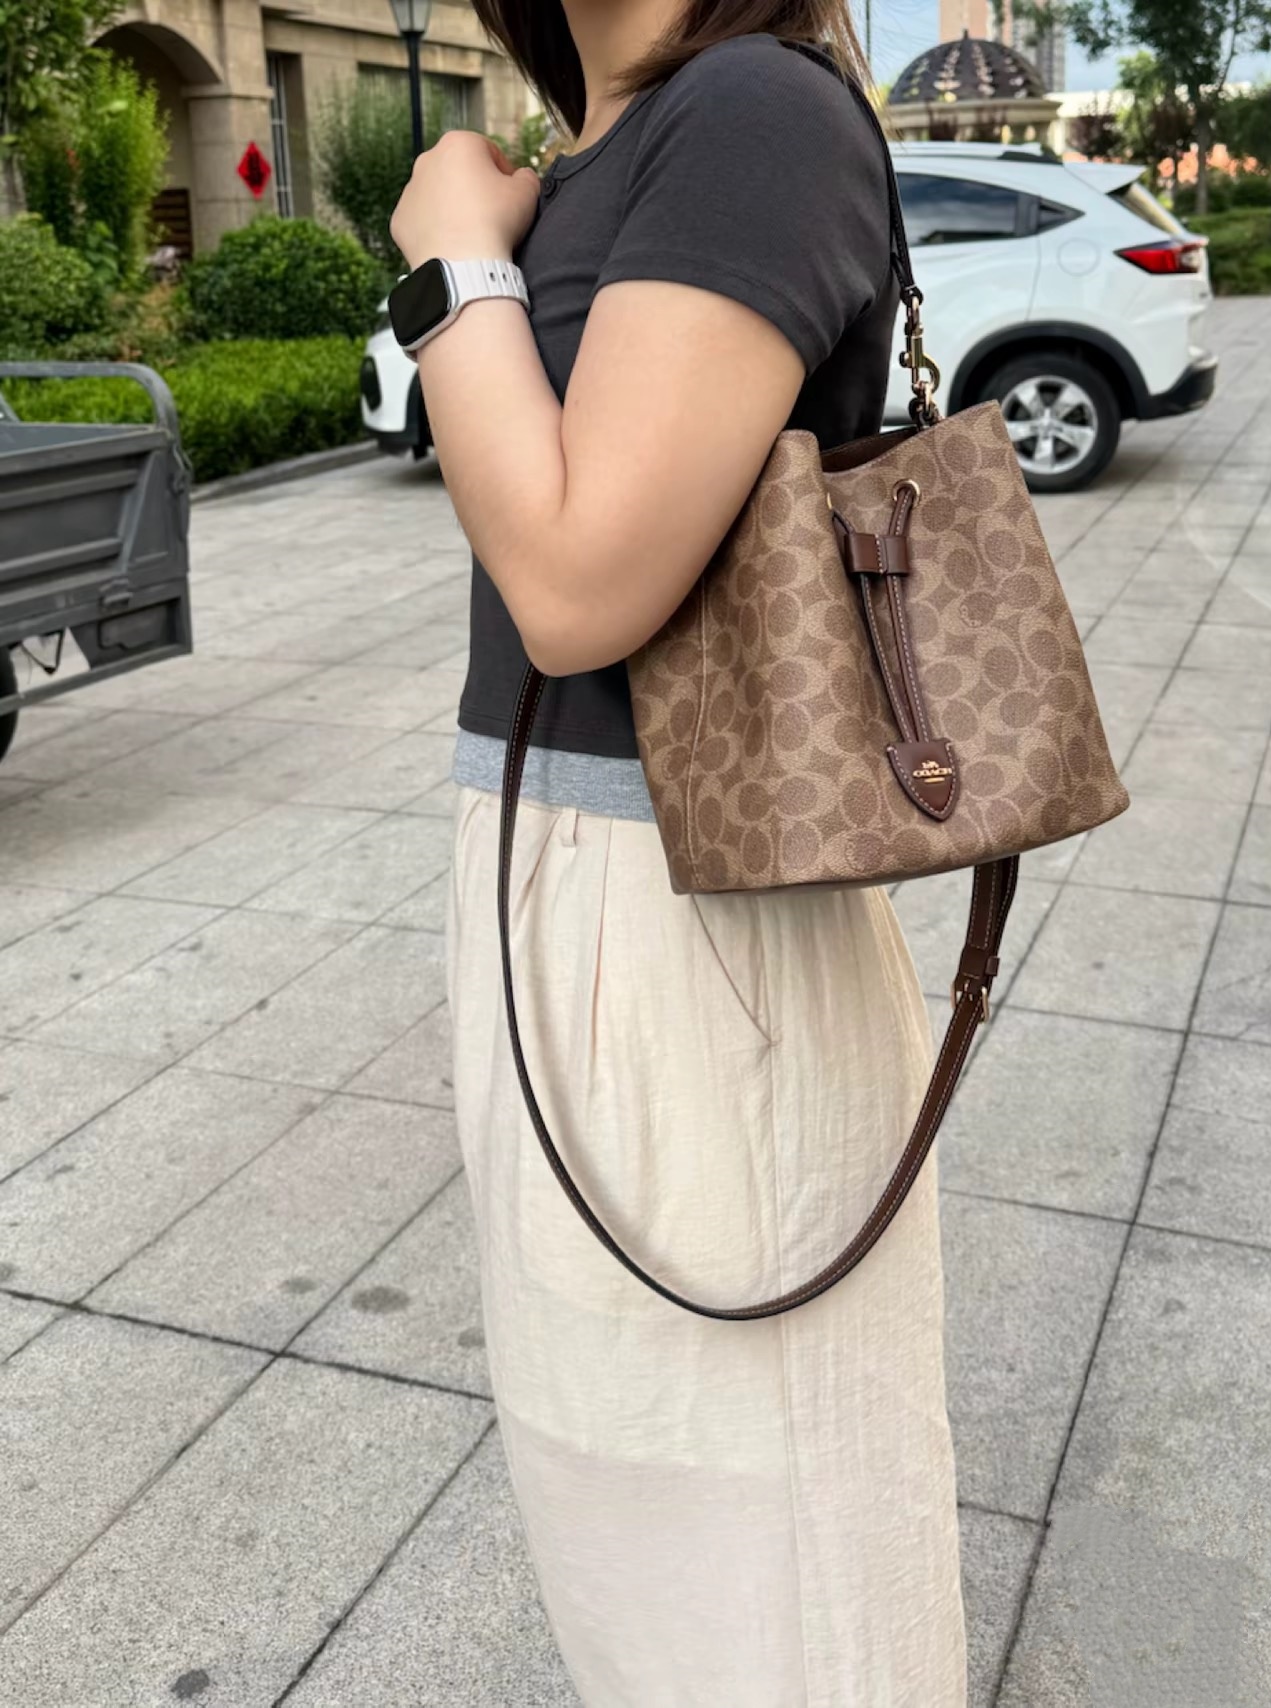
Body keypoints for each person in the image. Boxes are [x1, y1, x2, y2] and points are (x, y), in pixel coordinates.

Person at [390, 2, 966, 1701]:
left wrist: (450, 266)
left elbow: (578, 587)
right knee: (638, 1522)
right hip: (554, 872)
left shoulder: (753, 112)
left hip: (684, 916)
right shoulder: (612, 138)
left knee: (766, 1573)